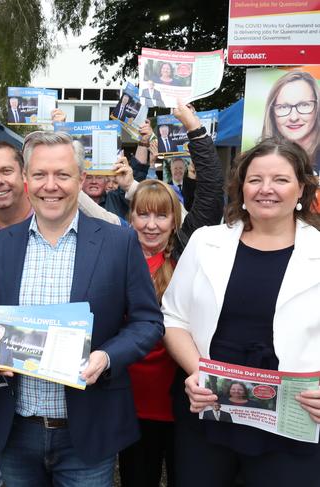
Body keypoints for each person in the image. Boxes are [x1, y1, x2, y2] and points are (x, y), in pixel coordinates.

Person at [0, 131, 164, 487]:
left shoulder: (119, 242)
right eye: (41, 175)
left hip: (86, 429)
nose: (51, 186)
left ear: (81, 179)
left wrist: (106, 357)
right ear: (26, 179)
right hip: (16, 429)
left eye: (62, 175)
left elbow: (148, 322)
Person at [162, 138, 320, 486]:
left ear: (301, 189)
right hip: (209, 410)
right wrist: (195, 372)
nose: (266, 189)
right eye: (255, 179)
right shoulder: (206, 241)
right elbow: (174, 318)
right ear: (241, 188)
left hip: (292, 421)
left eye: (280, 179)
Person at [116, 100, 225, 487]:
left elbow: (211, 190)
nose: (151, 224)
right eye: (142, 214)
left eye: (161, 215)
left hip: (184, 398)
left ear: (174, 219)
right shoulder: (117, 255)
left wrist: (192, 126)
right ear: (130, 218)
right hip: (132, 402)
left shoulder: (186, 250)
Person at [261, 70, 320, 172]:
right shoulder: (259, 159)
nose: (294, 117)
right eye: (283, 107)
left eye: (304, 105)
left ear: (317, 108)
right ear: (272, 113)